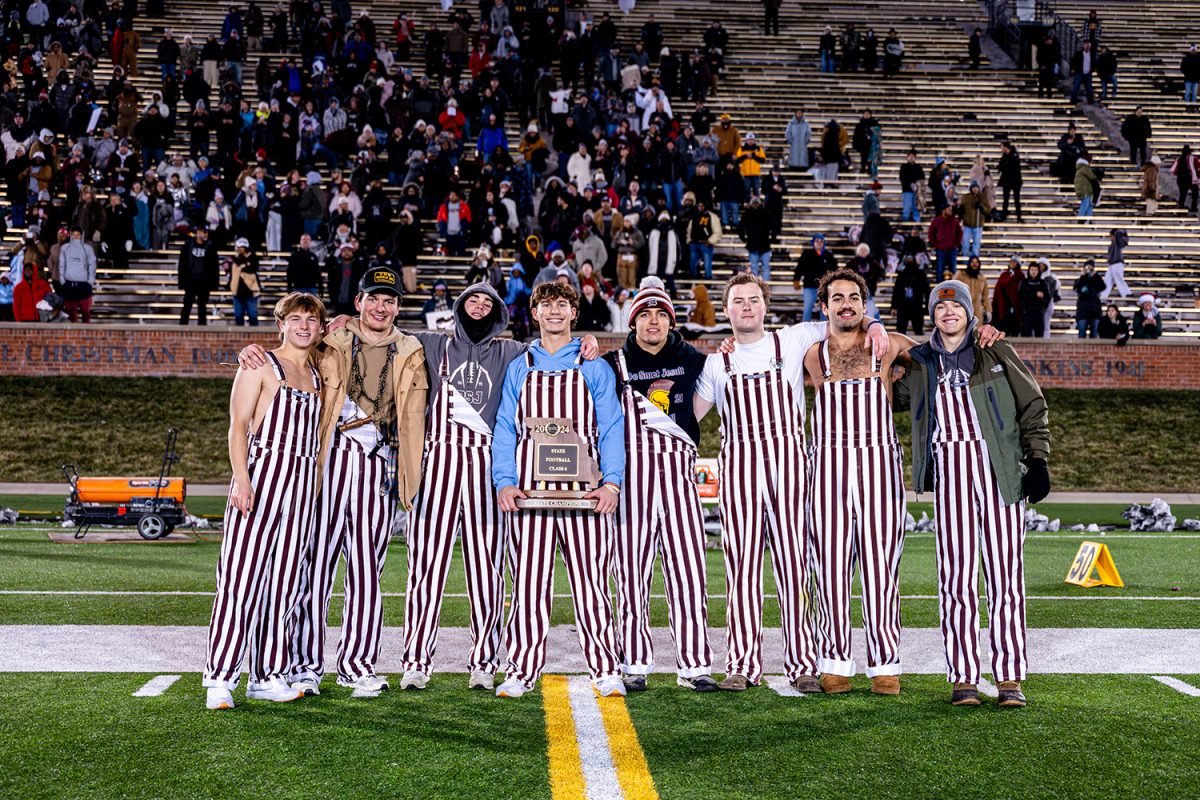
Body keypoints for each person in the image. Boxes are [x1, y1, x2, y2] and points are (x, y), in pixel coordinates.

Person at [693, 272, 889, 692]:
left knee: (794, 564)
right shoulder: (716, 362)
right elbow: (688, 418)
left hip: (790, 463)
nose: (746, 307)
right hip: (741, 466)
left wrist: (874, 323)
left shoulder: (794, 338)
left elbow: (845, 320)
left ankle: (802, 662)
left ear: (766, 306)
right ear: (726, 311)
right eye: (738, 301)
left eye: (753, 300)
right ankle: (742, 664)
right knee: (740, 566)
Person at [894, 280, 1050, 709]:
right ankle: (964, 676)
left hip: (999, 470)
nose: (948, 313)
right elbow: (888, 396)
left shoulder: (995, 350)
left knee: (1005, 577)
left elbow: (1032, 405)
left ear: (968, 311)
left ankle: (1008, 677)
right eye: (940, 308)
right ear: (932, 316)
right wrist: (890, 347)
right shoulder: (922, 364)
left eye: (955, 306)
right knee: (957, 577)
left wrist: (1037, 460)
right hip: (951, 474)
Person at [288, 268, 428, 698]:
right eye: (373, 298)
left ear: (398, 308)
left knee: (367, 569)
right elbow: (287, 352)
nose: (380, 307)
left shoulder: (413, 349)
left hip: (377, 459)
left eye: (389, 300)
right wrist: (250, 353)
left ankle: (357, 665)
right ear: (359, 302)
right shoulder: (330, 340)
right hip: (331, 456)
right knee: (317, 565)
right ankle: (305, 664)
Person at [491, 281, 626, 699]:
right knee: (529, 586)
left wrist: (613, 482)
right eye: (546, 305)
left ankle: (605, 669)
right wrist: (505, 481)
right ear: (534, 314)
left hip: (584, 497)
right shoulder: (521, 364)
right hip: (531, 496)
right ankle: (521, 669)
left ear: (573, 313)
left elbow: (611, 427)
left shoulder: (594, 365)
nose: (553, 312)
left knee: (592, 585)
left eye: (562, 305)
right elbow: (505, 429)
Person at [204, 292, 327, 711]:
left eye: (311, 319)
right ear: (281, 324)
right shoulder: (260, 365)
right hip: (262, 478)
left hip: (302, 487)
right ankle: (220, 679)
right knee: (240, 581)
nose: (304, 326)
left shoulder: (318, 374)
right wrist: (241, 479)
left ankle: (268, 675)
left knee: (286, 585)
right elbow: (237, 428)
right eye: (295, 319)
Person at [603, 277, 717, 692]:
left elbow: (724, 380)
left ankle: (694, 665)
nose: (653, 321)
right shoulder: (614, 363)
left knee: (689, 568)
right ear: (633, 322)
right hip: (632, 476)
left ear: (671, 320)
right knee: (631, 572)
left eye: (661, 314)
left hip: (680, 474)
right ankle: (634, 661)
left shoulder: (693, 358)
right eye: (645, 314)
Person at [805, 269, 912, 695]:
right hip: (828, 464)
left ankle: (884, 663)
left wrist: (879, 326)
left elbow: (941, 351)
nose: (846, 304)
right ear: (825, 306)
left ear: (865, 306)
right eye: (838, 298)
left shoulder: (887, 346)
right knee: (829, 564)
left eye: (854, 298)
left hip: (878, 463)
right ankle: (834, 662)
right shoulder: (812, 353)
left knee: (882, 563)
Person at [177, 226, 220, 325]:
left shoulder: (210, 247)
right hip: (191, 280)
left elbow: (214, 267)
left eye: (205, 232)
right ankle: (182, 327)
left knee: (202, 306)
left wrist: (214, 284)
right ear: (196, 232)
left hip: (204, 282)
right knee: (187, 305)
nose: (204, 234)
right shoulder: (188, 245)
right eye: (201, 231)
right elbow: (182, 264)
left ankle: (202, 328)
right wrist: (182, 282)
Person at [793, 233, 838, 322]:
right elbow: (799, 268)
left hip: (824, 288)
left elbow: (835, 271)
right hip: (810, 286)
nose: (819, 243)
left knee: (824, 310)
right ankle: (805, 330)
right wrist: (796, 279)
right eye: (817, 241)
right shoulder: (807, 254)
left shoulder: (829, 256)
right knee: (808, 308)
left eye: (821, 241)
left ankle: (824, 331)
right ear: (813, 242)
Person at [57, 226, 97, 323]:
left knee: (85, 313)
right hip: (69, 286)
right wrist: (62, 280)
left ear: (81, 236)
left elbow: (92, 265)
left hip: (84, 286)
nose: (75, 237)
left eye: (78, 235)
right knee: (71, 315)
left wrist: (90, 282)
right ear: (70, 235)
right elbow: (62, 265)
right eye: (74, 234)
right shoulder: (65, 248)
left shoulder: (88, 249)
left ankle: (87, 335)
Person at [890, 255, 930, 335]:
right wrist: (894, 306)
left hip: (916, 305)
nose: (910, 262)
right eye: (908, 260)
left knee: (918, 331)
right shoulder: (901, 275)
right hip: (903, 306)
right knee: (901, 332)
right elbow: (896, 291)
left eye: (911, 260)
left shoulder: (920, 274)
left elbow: (927, 291)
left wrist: (927, 306)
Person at [738, 195, 774, 280]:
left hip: (764, 245)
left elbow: (774, 226)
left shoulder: (766, 213)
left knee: (765, 267)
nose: (755, 205)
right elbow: (740, 228)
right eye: (754, 203)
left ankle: (765, 286)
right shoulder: (747, 214)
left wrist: (772, 238)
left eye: (757, 203)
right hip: (753, 245)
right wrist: (744, 238)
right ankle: (756, 286)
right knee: (754, 268)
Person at [928, 204, 962, 282]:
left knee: (953, 270)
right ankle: (939, 289)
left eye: (951, 210)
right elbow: (931, 233)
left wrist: (956, 244)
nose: (951, 211)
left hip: (952, 249)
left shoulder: (954, 221)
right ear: (943, 210)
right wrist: (936, 245)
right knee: (940, 270)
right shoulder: (936, 221)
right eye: (949, 209)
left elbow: (960, 233)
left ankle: (954, 287)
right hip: (940, 249)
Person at [992, 256, 1023, 337]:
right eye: (1011, 261)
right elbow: (997, 289)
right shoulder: (1004, 275)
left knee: (1014, 330)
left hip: (1014, 306)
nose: (1012, 263)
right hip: (1003, 305)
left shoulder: (1020, 275)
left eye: (1015, 262)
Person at [1018, 259, 1050, 337]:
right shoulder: (1024, 282)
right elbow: (1021, 296)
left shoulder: (1043, 283)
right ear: (1029, 271)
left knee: (1039, 335)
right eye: (1032, 269)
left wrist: (1042, 304)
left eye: (1036, 270)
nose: (1033, 272)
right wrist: (1035, 294)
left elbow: (1047, 298)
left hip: (1038, 313)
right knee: (1026, 335)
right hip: (1027, 313)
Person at [959, 181, 991, 259]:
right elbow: (961, 209)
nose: (975, 189)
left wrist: (982, 207)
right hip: (967, 225)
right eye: (973, 187)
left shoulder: (983, 198)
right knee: (965, 244)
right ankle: (965, 259)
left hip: (978, 225)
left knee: (976, 244)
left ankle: (974, 260)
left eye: (976, 187)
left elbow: (988, 210)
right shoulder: (966, 197)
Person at [1074, 259, 1105, 338]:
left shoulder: (1096, 279)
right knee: (1081, 333)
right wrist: (1083, 276)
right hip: (1083, 310)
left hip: (1094, 310)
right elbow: (1077, 288)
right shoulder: (1080, 279)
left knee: (1094, 334)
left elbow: (1102, 286)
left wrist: (1096, 276)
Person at [958, 255, 989, 323]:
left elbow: (985, 296)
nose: (974, 264)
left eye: (976, 262)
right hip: (963, 308)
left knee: (977, 331)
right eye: (972, 262)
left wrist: (988, 310)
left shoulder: (982, 278)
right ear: (969, 263)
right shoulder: (961, 275)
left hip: (977, 310)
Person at [1102, 228, 1131, 301]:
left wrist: (1116, 233)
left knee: (1119, 279)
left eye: (1111, 236)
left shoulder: (1117, 241)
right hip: (1112, 264)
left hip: (1117, 263)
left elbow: (1119, 233)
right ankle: (1102, 296)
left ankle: (1126, 294)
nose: (1110, 237)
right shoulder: (1113, 244)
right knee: (1107, 280)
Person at [997, 142, 1023, 223]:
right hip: (1007, 181)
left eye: (1001, 147)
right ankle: (1004, 215)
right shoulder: (1005, 156)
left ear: (1006, 147)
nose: (1001, 149)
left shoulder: (1014, 155)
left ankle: (1019, 217)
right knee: (1005, 199)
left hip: (1015, 181)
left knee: (1016, 199)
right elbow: (1000, 166)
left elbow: (1012, 166)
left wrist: (1003, 167)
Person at [899, 151, 925, 223]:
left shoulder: (918, 167)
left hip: (917, 191)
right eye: (909, 156)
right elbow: (902, 178)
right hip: (907, 190)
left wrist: (917, 185)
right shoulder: (904, 167)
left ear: (915, 158)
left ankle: (917, 223)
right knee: (906, 208)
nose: (911, 158)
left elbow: (922, 177)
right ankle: (905, 223)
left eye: (912, 156)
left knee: (916, 207)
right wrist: (910, 184)